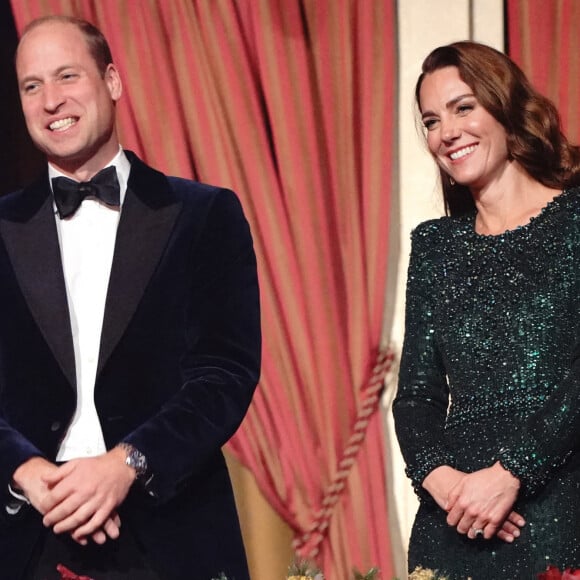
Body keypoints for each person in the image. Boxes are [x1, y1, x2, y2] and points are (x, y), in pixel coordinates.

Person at [0, 14, 260, 580]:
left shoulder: (204, 214)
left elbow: (225, 374)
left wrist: (126, 464)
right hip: (25, 535)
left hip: (168, 532)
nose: (51, 101)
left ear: (112, 81)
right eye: (31, 86)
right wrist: (22, 468)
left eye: (67, 76)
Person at [392, 41, 580, 579]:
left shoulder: (574, 221)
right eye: (431, 120)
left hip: (555, 508)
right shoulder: (435, 246)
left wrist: (512, 472)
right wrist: (446, 484)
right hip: (451, 523)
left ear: (506, 108)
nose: (445, 132)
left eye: (463, 107)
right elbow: (416, 398)